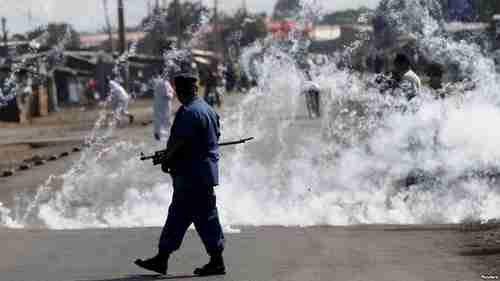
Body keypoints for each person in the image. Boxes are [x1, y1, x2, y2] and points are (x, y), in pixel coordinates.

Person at [135, 72, 226, 277]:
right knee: (181, 216)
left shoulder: (188, 112)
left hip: (192, 175)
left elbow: (179, 142)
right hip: (202, 173)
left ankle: (215, 261)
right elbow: (214, 136)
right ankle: (162, 258)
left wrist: (167, 159)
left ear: (179, 91)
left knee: (202, 217)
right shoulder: (207, 109)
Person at [153, 71, 174, 141]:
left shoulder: (159, 82)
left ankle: (158, 134)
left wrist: (171, 93)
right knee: (165, 119)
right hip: (164, 104)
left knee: (159, 118)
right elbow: (167, 95)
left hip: (159, 103)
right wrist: (172, 94)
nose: (167, 76)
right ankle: (160, 135)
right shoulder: (163, 83)